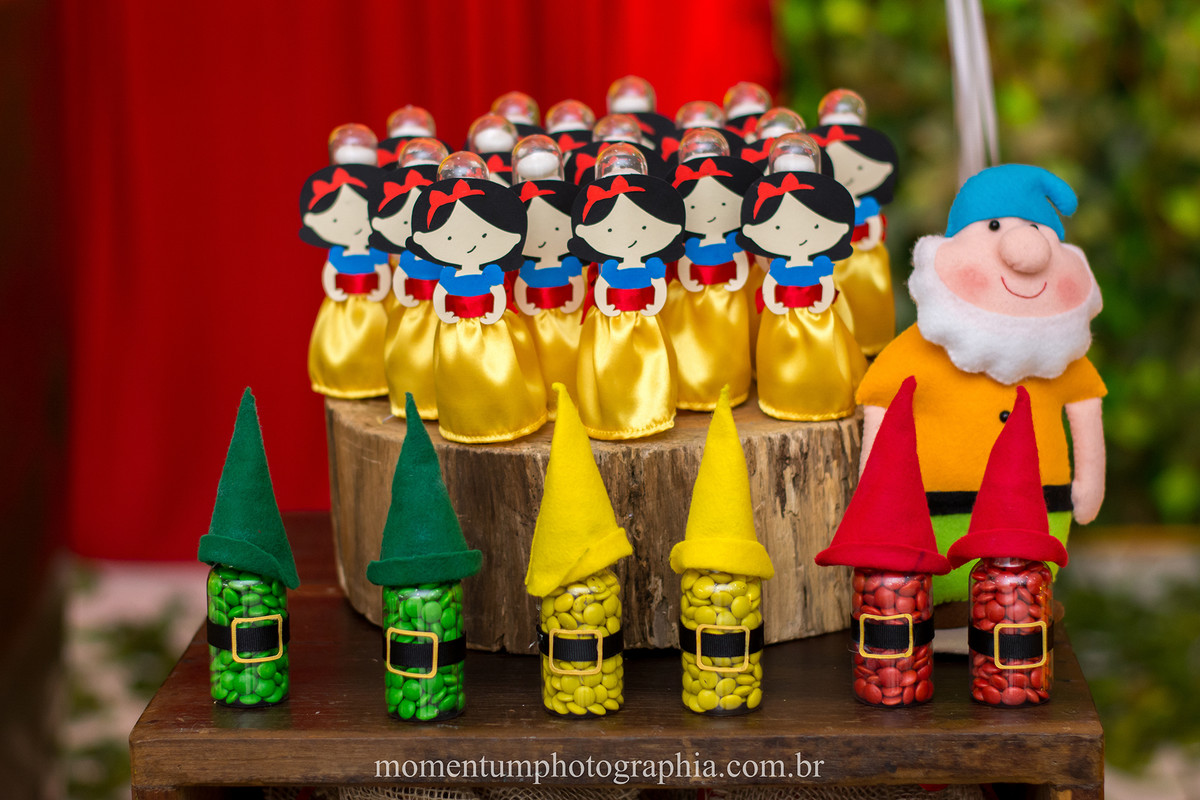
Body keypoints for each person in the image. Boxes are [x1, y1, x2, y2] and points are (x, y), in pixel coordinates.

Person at [857, 164, 1105, 605]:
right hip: (930, 516)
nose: (1023, 249)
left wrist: (1088, 485)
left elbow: (1085, 403)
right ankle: (948, 617)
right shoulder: (917, 350)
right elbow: (880, 404)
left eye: (1036, 228)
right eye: (994, 226)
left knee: (1021, 593)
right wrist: (873, 488)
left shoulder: (1064, 353)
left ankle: (1018, 620)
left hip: (1037, 517)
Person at [408, 154, 547, 443]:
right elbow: (441, 295)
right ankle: (465, 418)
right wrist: (446, 314)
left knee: (501, 367)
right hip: (456, 327)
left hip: (492, 322)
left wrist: (493, 312)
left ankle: (506, 414)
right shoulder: (447, 274)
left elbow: (498, 293)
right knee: (459, 375)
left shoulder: (492, 272)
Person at [738, 138, 867, 421]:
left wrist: (821, 302)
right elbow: (770, 285)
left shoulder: (821, 261)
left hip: (817, 311)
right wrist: (775, 302)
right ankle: (783, 394)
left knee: (823, 351)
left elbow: (827, 285)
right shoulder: (777, 265)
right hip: (782, 311)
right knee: (780, 352)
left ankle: (824, 393)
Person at [568, 144, 685, 439]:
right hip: (608, 317)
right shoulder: (602, 268)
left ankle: (651, 410)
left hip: (644, 316)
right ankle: (607, 413)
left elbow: (658, 286)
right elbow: (601, 288)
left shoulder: (652, 263)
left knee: (651, 360)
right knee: (607, 365)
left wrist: (652, 305)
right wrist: (607, 307)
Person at [299, 163, 390, 398]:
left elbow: (383, 272)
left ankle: (379, 377)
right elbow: (330, 273)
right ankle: (342, 375)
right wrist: (334, 290)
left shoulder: (376, 252)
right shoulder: (337, 253)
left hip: (373, 300)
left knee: (376, 337)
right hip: (343, 299)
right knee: (341, 337)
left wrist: (380, 291)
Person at [368, 141, 444, 419]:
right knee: (411, 352)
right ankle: (416, 398)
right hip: (413, 306)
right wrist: (404, 293)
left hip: (441, 308)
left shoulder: (442, 253)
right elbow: (400, 277)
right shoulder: (407, 258)